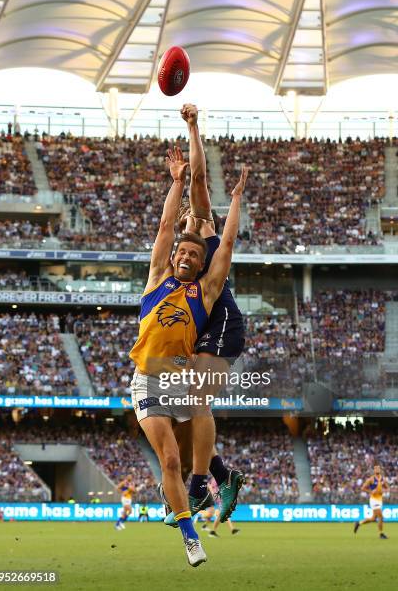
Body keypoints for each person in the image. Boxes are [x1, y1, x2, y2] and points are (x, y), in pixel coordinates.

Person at [129, 146, 248, 567]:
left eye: (194, 255)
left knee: (197, 413)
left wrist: (234, 200)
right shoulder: (157, 278)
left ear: (200, 265)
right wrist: (176, 180)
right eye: (182, 251)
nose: (185, 255)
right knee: (171, 458)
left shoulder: (204, 292)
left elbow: (228, 243)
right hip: (147, 376)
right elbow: (165, 226)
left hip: (177, 376)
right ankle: (190, 537)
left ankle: (199, 483)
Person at [170, 104, 245, 523]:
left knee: (197, 402)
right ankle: (222, 473)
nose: (188, 217)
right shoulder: (182, 259)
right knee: (184, 410)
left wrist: (193, 127)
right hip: (204, 332)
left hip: (223, 324)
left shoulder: (206, 233)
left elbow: (199, 179)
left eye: (192, 215)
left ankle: (199, 488)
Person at [354, 464, 389, 539]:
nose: (377, 469)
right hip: (374, 500)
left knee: (373, 518)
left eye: (378, 468)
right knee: (381, 517)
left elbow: (387, 488)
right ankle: (381, 534)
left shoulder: (383, 479)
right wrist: (370, 492)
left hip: (380, 500)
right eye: (375, 468)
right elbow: (363, 488)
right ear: (374, 470)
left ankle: (359, 523)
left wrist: (384, 490)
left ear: (380, 470)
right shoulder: (371, 479)